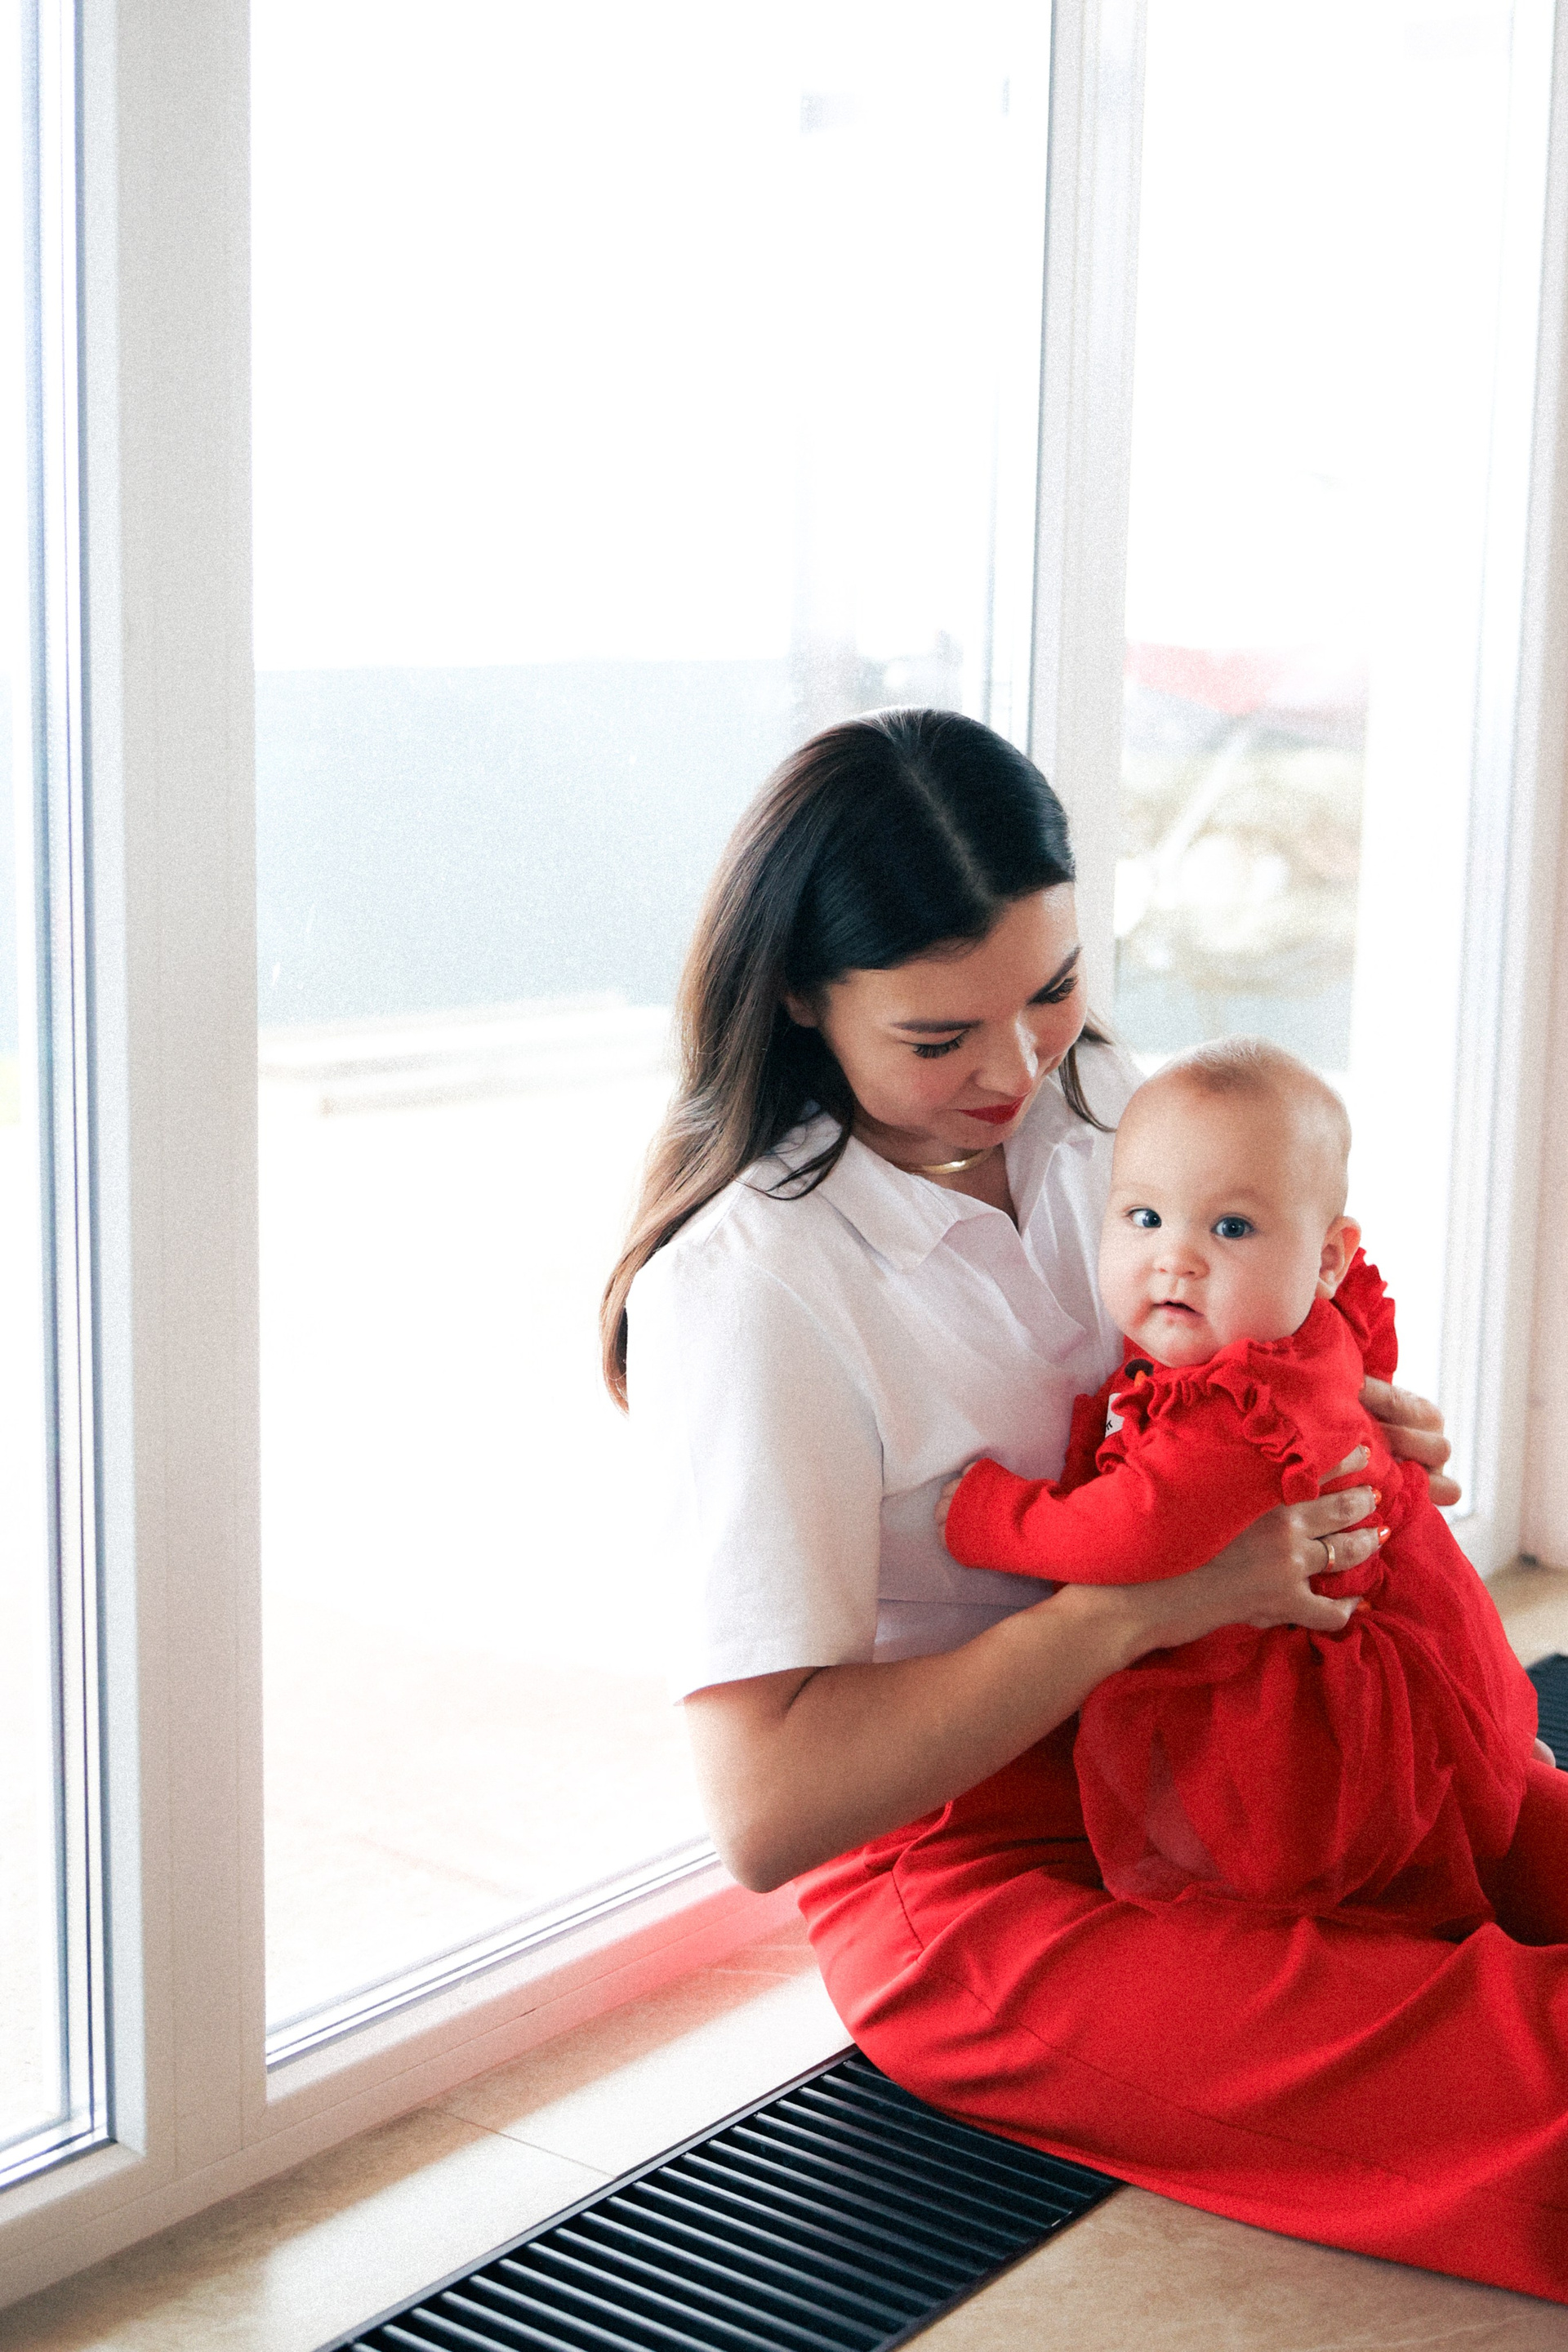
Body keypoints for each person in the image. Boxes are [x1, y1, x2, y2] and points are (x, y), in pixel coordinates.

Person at [603, 708, 1568, 2305]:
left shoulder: (1104, 1099)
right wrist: (1145, 1607)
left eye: (1050, 990)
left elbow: (1274, 1295)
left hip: (1259, 1730)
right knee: (1519, 2075)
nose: (1016, 1067)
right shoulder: (751, 1291)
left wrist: (1348, 1416)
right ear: (798, 997)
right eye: (939, 1038)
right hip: (985, 1866)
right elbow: (768, 1813)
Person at [938, 1038, 1544, 1931]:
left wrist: (988, 1513)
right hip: (1394, 1649)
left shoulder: (1237, 1412)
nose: (1176, 1258)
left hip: (1287, 1730)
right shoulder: (1309, 1331)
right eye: (1144, 1218)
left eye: (1231, 1229)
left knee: (1300, 1906)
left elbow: (1130, 1531)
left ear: (1328, 1259)